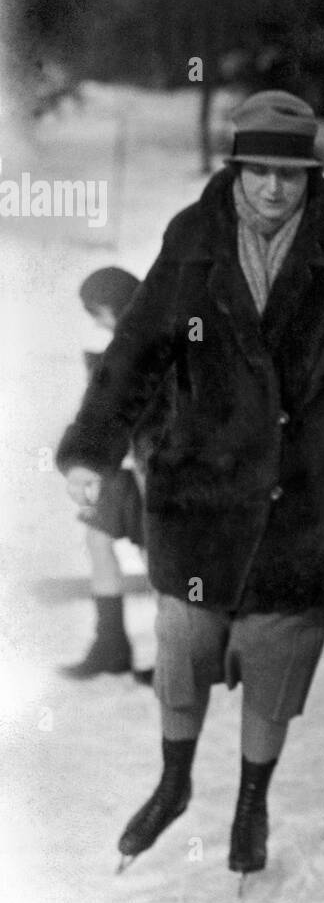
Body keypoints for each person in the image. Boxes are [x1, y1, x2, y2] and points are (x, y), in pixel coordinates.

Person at [58, 90, 324, 883]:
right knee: (185, 643)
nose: (276, 189)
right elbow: (135, 351)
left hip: (307, 485)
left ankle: (252, 801)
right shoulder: (193, 239)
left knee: (276, 656)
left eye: (292, 173)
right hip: (201, 482)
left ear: (311, 174)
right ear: (236, 169)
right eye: (261, 172)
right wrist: (92, 451)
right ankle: (173, 783)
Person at [61, 267, 154, 685]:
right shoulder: (110, 351)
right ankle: (110, 645)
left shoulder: (162, 338)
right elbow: (97, 414)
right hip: (120, 466)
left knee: (160, 562)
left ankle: (173, 652)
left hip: (157, 469)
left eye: (98, 312)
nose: (96, 322)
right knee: (97, 541)